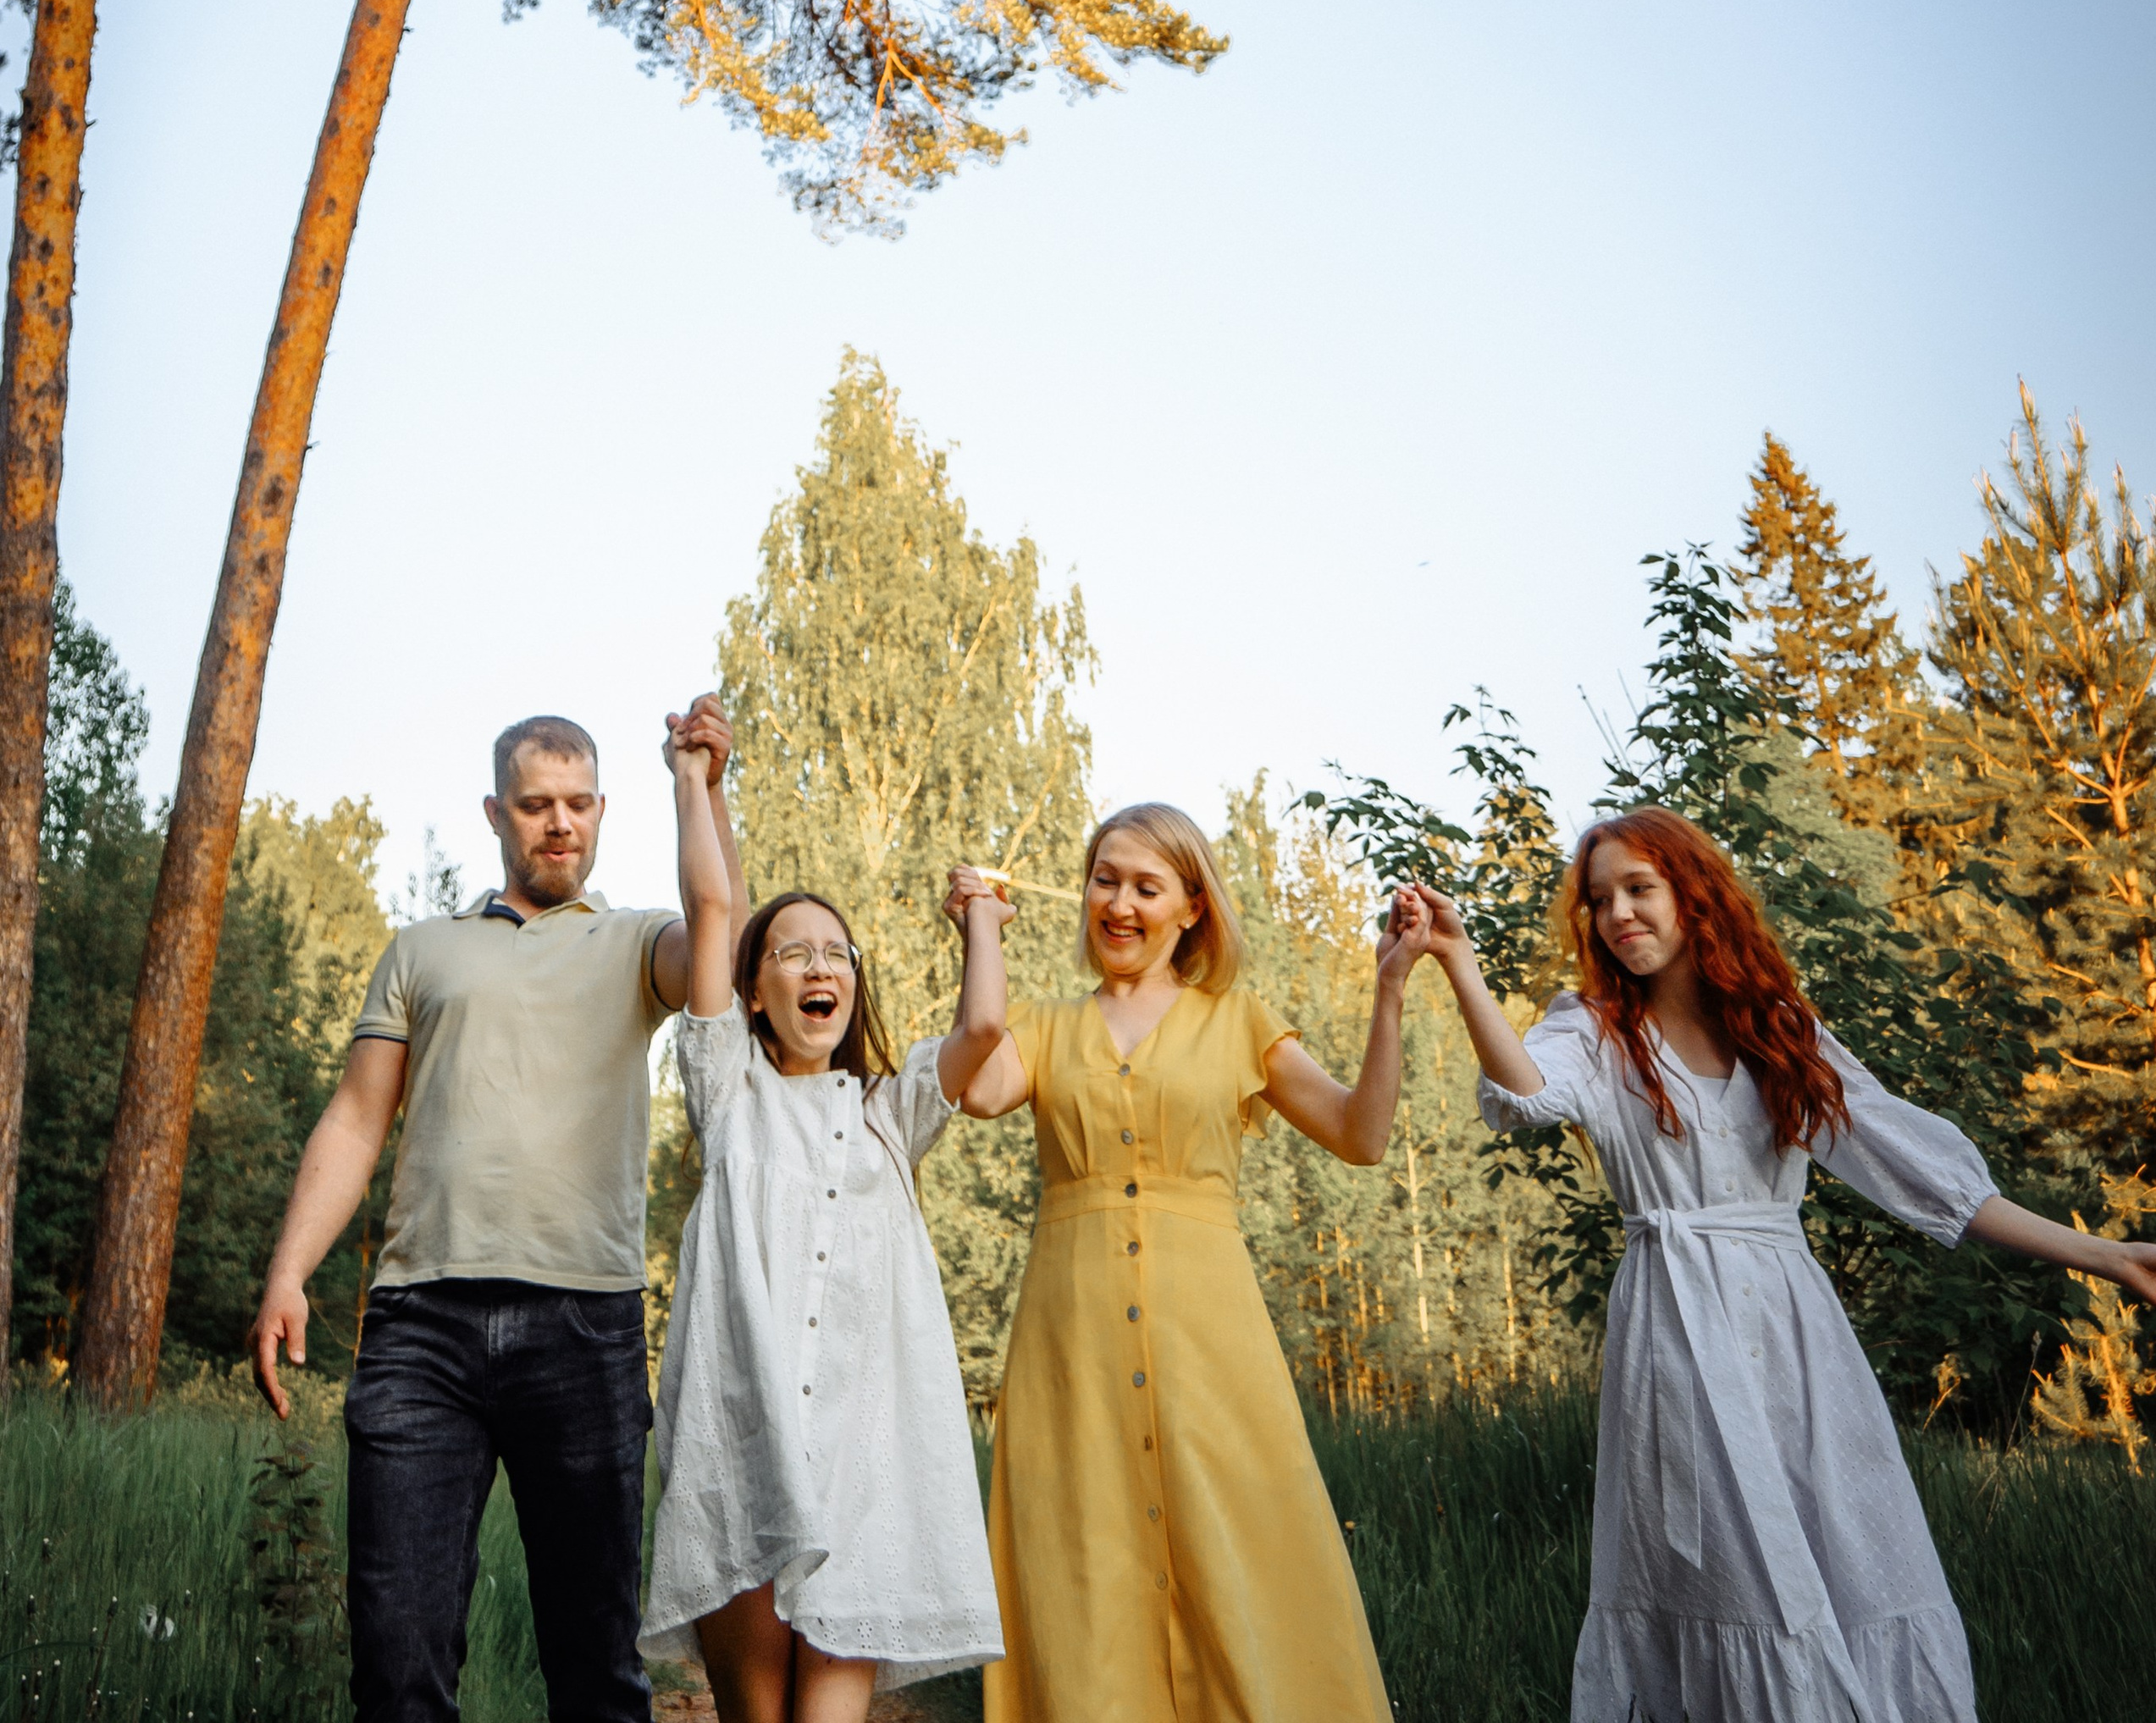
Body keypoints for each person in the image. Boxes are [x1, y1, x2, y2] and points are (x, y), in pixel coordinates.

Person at [1420, 805, 2156, 1723]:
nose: (1618, 914)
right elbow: (1526, 1098)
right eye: (1600, 898)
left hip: (1797, 1334)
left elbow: (1923, 1177)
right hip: (1677, 1334)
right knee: (1739, 1582)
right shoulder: (1593, 1028)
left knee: (1854, 1553)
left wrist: (2106, 1255)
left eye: (1639, 889)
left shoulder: (1777, 1030)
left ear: (1692, 895)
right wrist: (1460, 966)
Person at [249, 706, 725, 1723]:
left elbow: (717, 934)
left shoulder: (640, 943)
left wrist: (698, 784)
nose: (561, 824)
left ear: (603, 810)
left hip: (584, 1328)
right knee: (397, 1655)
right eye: (537, 805)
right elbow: (355, 1117)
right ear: (495, 813)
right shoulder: (424, 950)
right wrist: (289, 1270)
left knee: (594, 1664)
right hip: (423, 1330)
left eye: (580, 804)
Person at [963, 801, 1421, 1723]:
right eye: (1104, 880)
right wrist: (980, 931)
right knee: (1080, 1566)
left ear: (1191, 909)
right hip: (1071, 1342)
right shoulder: (1047, 1028)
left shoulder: (1239, 1018)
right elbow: (975, 1088)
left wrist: (1389, 993)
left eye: (1145, 885)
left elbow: (1361, 1136)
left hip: (1211, 1337)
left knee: (1245, 1546)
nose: (1119, 903)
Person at [642, 700, 1007, 1723]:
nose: (819, 967)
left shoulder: (892, 1115)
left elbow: (983, 1027)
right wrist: (697, 783)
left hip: (867, 1466)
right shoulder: (729, 1093)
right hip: (742, 1454)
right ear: (753, 994)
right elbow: (716, 909)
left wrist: (979, 915)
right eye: (794, 953)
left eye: (838, 954)